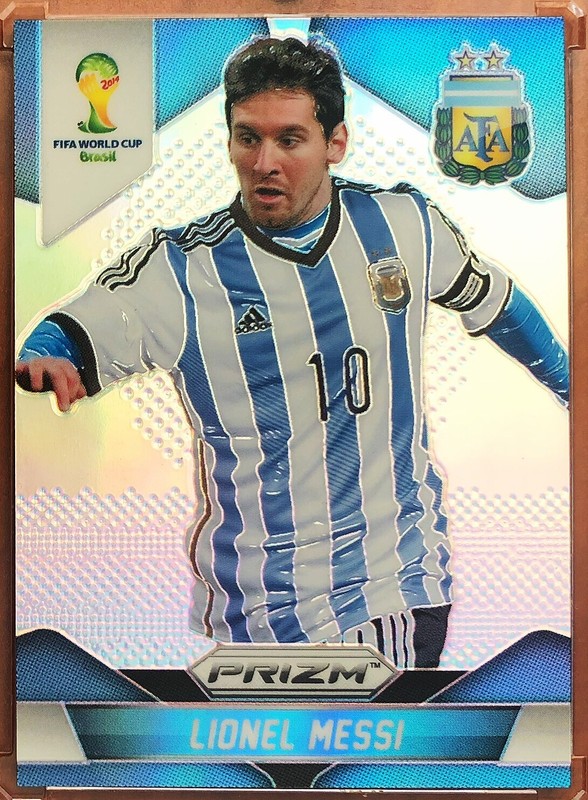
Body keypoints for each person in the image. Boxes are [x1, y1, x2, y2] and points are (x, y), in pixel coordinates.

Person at [15, 36, 569, 668]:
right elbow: (77, 325)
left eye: (289, 139)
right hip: (251, 605)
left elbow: (497, 303)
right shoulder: (182, 268)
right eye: (247, 138)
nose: (264, 162)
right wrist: (48, 352)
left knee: (356, 726)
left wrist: (570, 385)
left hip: (386, 585)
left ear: (335, 142)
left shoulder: (403, 226)